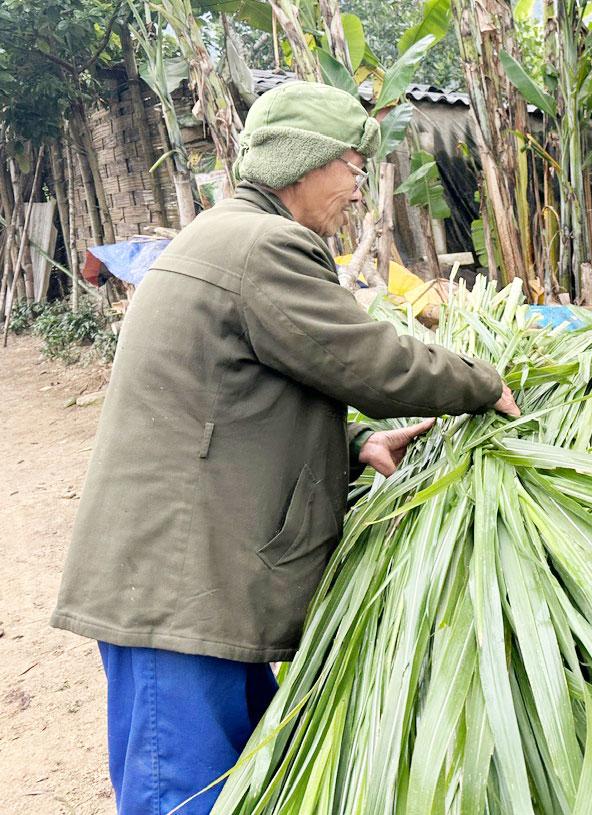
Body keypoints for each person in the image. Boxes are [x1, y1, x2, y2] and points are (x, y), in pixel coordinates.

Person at [50, 81, 519, 814]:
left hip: (194, 576)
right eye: (354, 170)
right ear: (303, 164)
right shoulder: (265, 245)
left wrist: (357, 442)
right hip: (177, 583)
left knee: (236, 784)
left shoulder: (221, 235)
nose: (358, 194)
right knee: (181, 792)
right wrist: (482, 383)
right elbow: (369, 360)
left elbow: (246, 392)